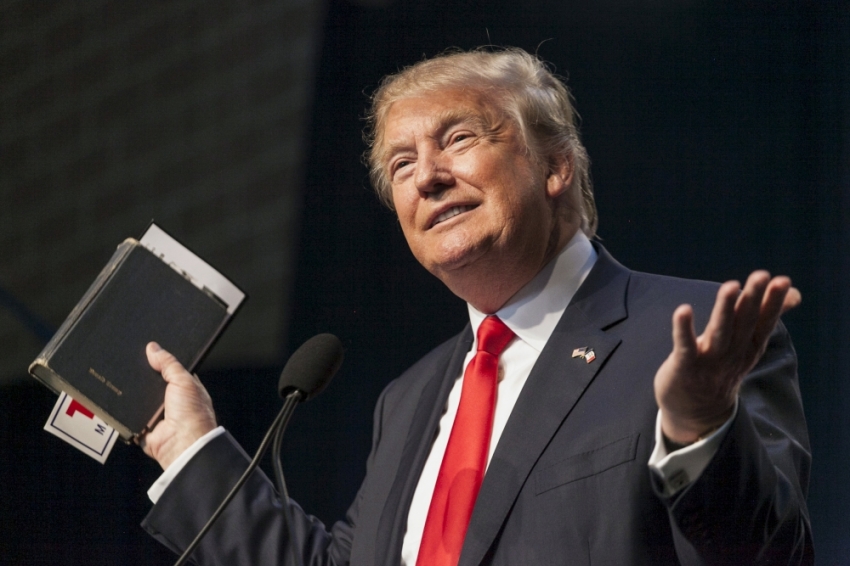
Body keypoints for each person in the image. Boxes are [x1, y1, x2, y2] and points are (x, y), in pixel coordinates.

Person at [139, 48, 813, 565]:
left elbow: (770, 555)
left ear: (555, 165)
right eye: (401, 165)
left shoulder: (691, 338)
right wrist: (190, 448)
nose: (427, 177)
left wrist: (700, 430)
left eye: (458, 139)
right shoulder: (407, 399)